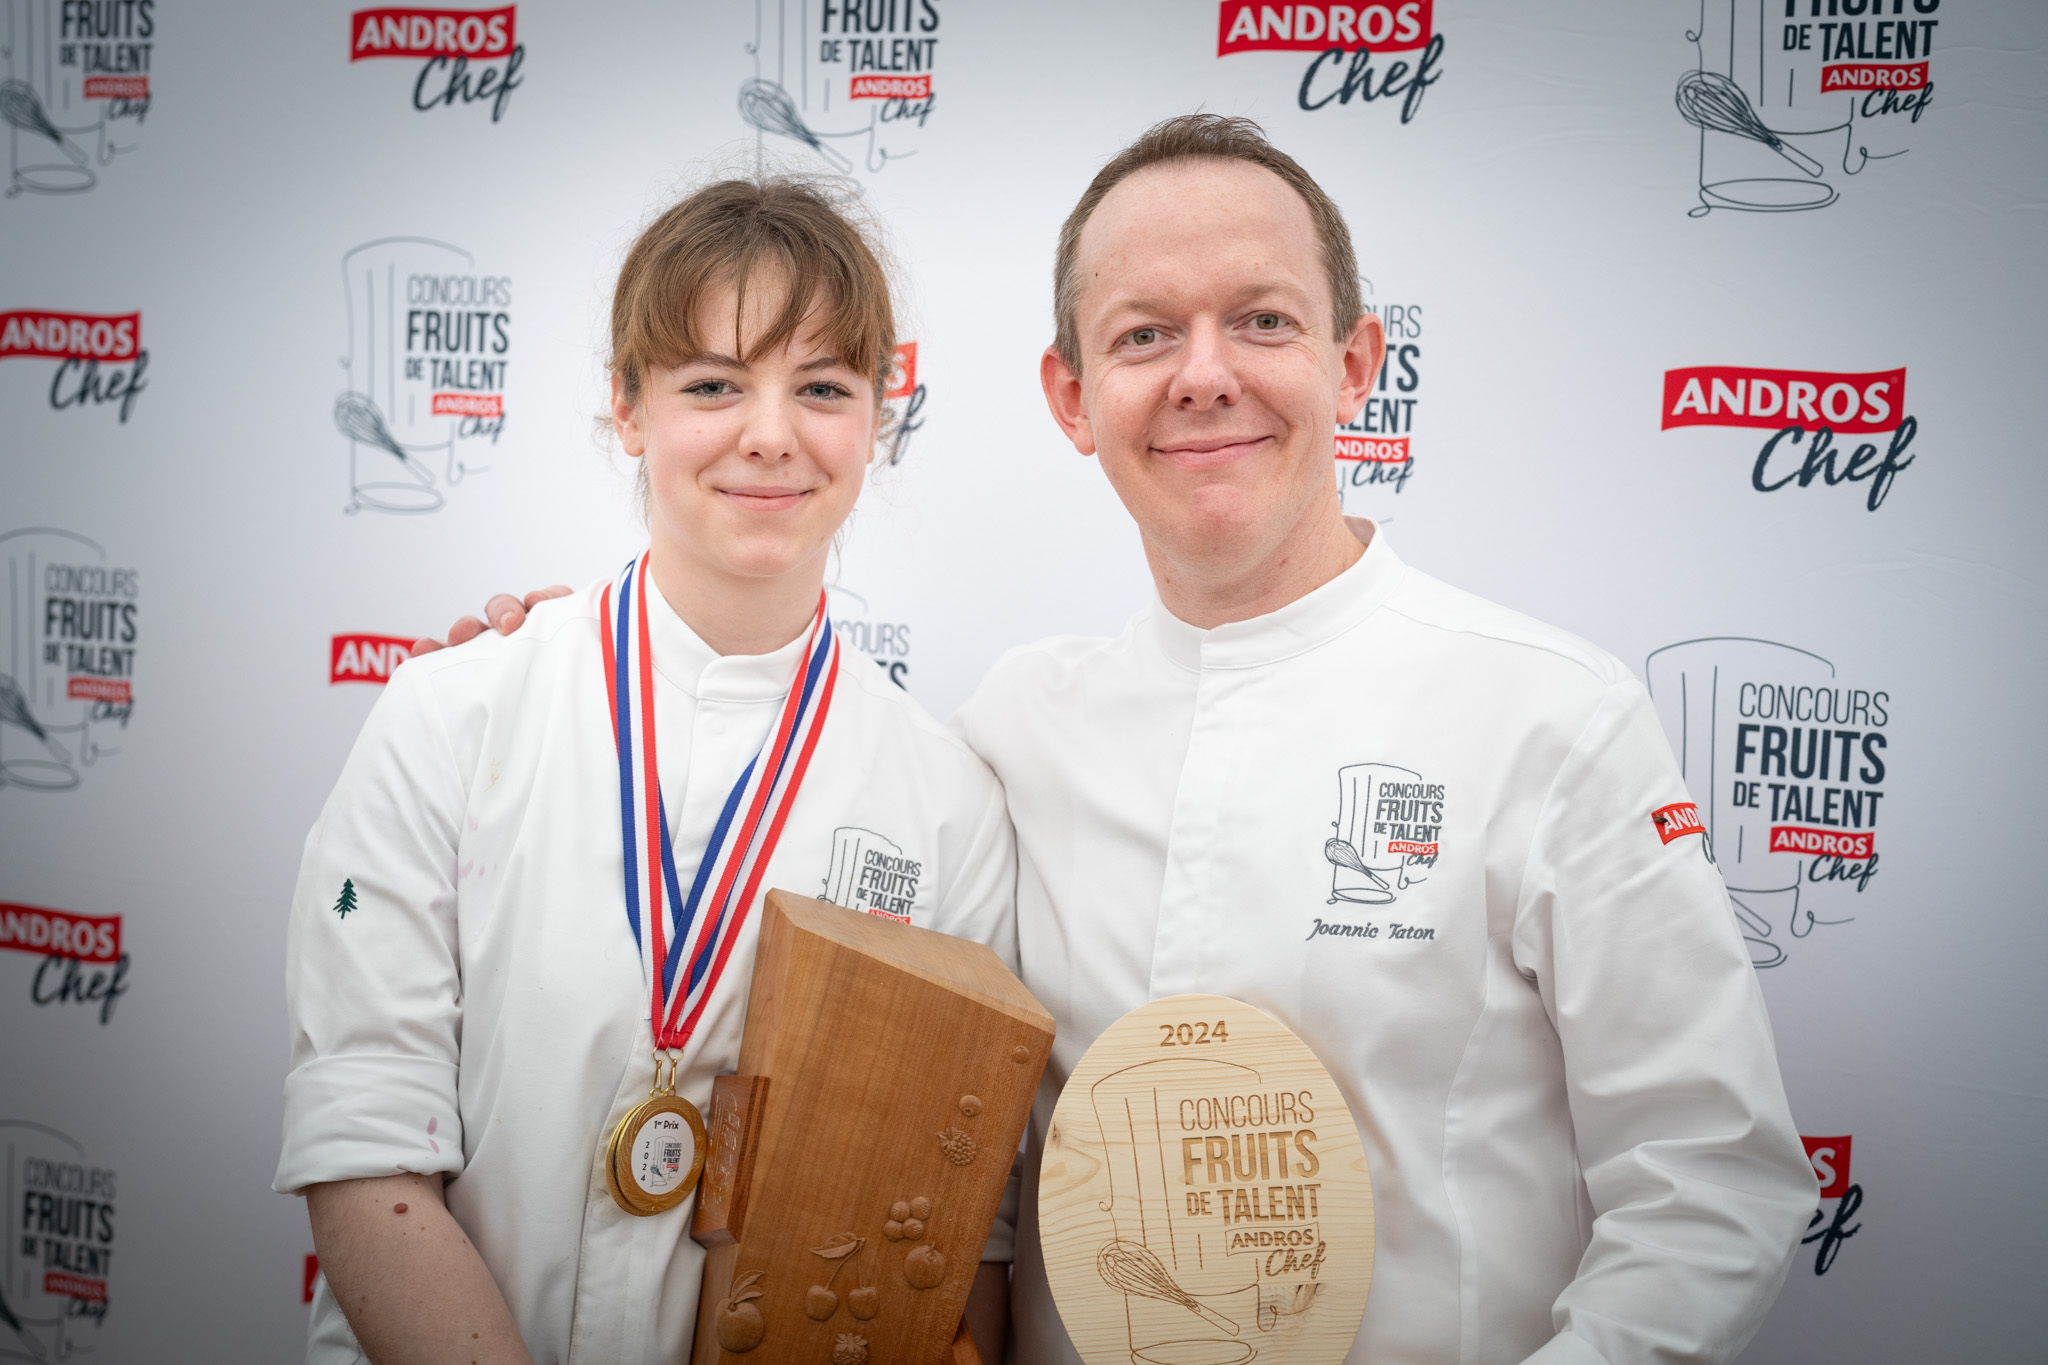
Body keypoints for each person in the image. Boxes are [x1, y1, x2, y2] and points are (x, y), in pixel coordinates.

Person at [435, 117, 1819, 1364]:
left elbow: (1710, 1177)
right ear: (1070, 395)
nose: (1203, 375)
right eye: (1145, 334)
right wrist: (583, 663)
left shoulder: (1550, 715)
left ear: (1355, 363)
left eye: (1262, 322)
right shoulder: (1007, 736)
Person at [276, 177, 1017, 1365]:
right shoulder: (455, 708)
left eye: (821, 387)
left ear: (877, 418)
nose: (769, 433)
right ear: (627, 408)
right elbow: (365, 1148)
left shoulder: (950, 807)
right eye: (712, 384)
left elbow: (943, 1238)